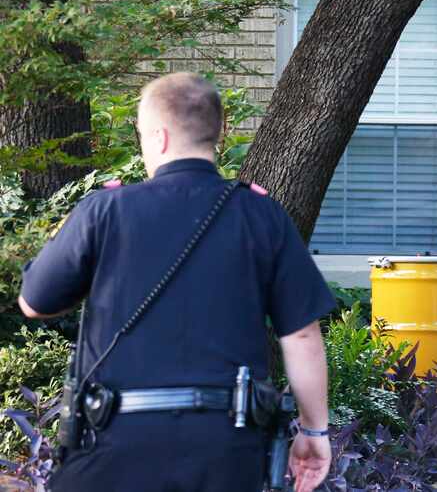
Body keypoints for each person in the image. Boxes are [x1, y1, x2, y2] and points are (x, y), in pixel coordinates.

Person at [18, 72, 335, 492]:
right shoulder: (262, 216)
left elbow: (35, 302)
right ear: (218, 134)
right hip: (226, 452)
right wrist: (313, 433)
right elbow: (302, 336)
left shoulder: (105, 210)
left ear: (159, 137)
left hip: (114, 448)